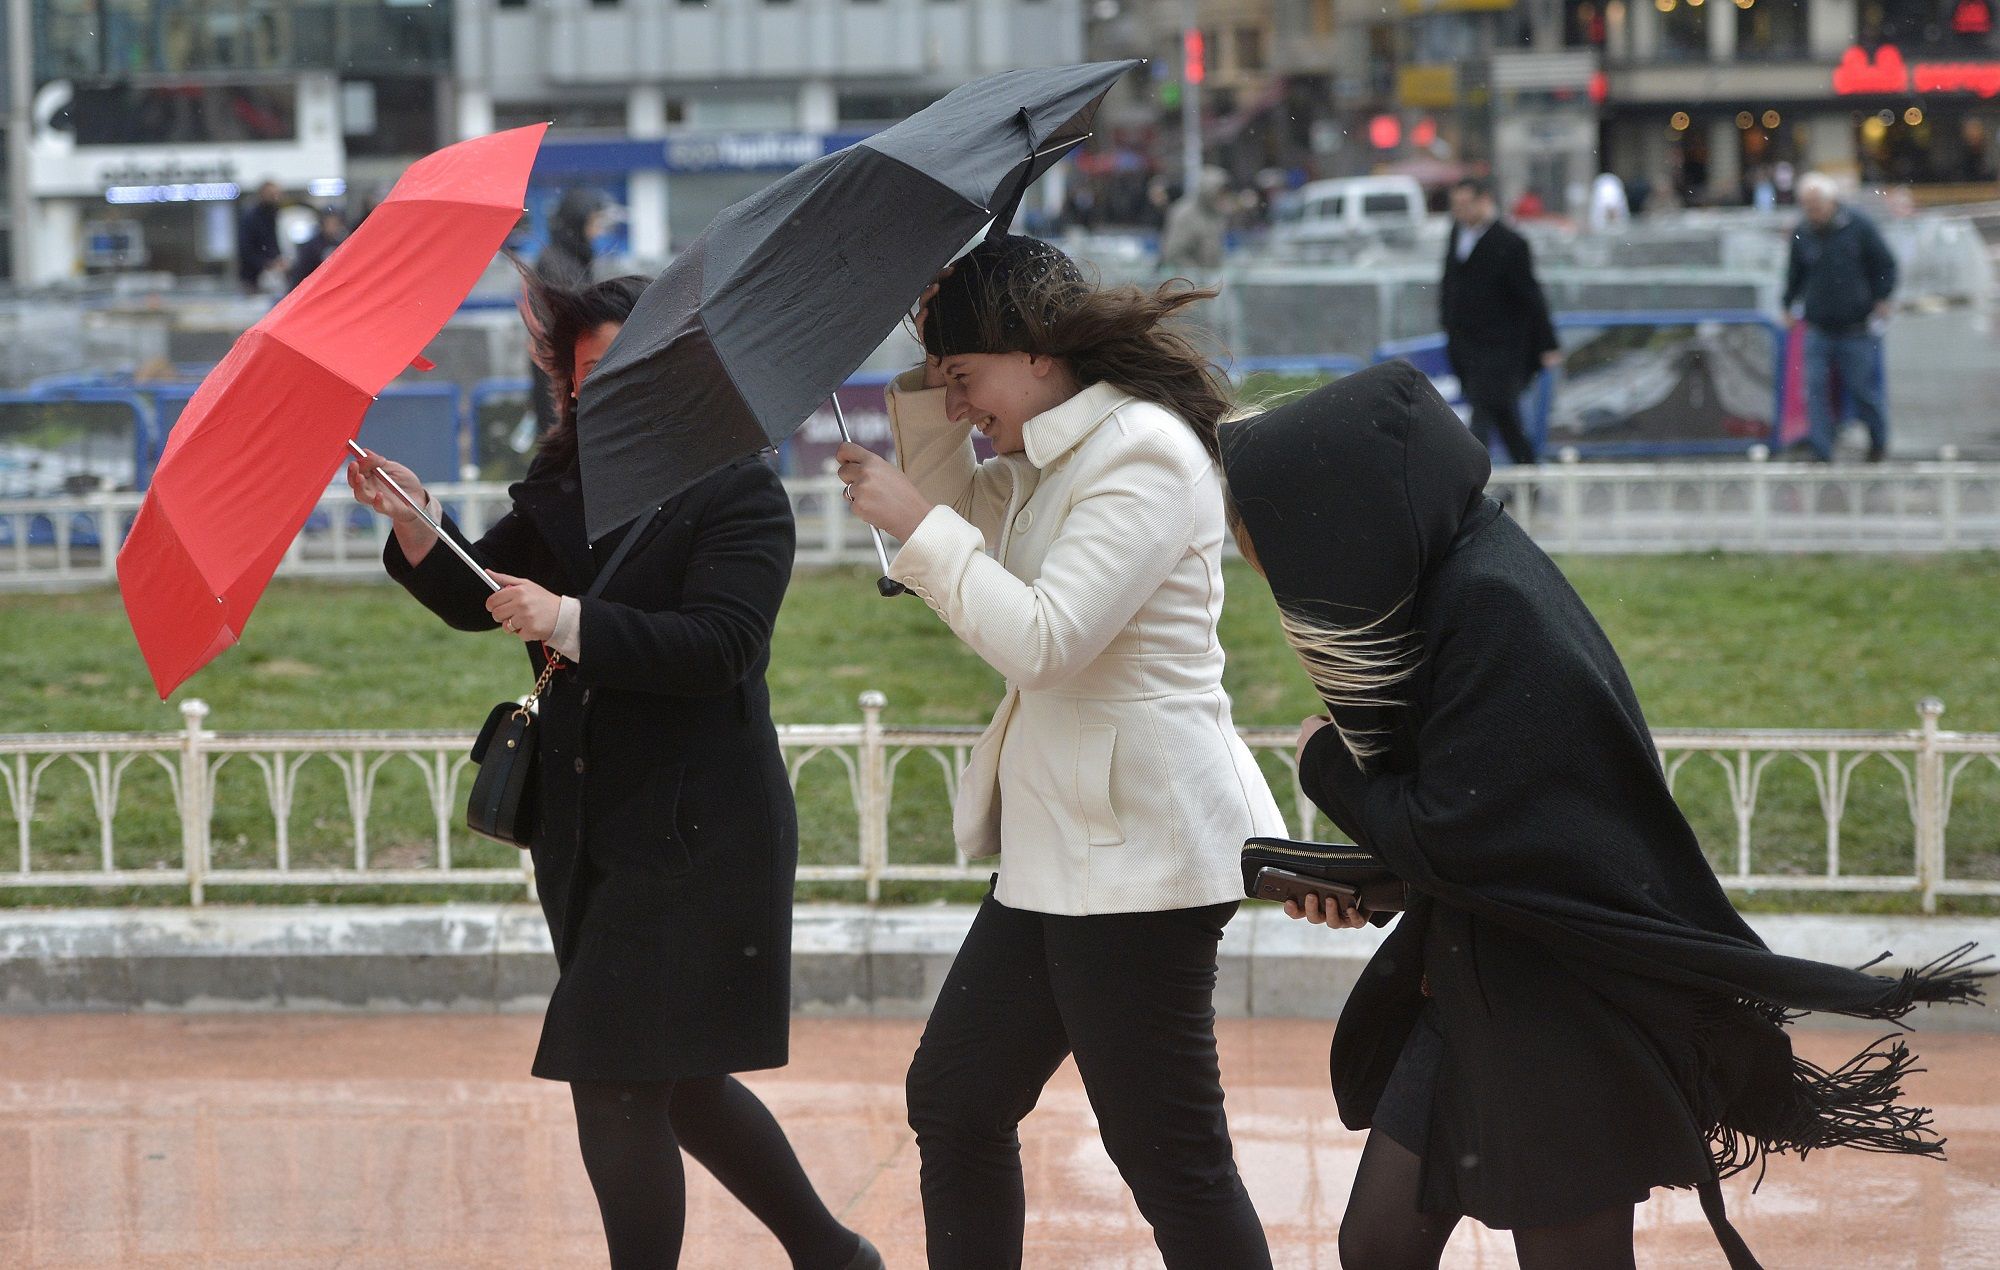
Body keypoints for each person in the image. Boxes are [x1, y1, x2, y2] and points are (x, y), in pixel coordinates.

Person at [1217, 361, 1987, 1270]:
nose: (1296, 590)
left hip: (1562, 1010)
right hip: (1481, 981)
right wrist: (1378, 884)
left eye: (1286, 556)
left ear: (1343, 523)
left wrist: (1324, 769)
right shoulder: (1458, 580)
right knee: (1381, 1245)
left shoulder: (1490, 605)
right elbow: (1503, 833)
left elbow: (1464, 831)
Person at [347, 271, 881, 1270]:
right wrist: (416, 521)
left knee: (615, 1072)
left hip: (698, 829)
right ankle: (832, 1252)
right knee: (674, 1078)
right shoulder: (568, 485)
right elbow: (479, 593)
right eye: (587, 372)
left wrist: (567, 620)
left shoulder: (738, 490)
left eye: (630, 365)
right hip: (587, 822)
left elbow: (718, 646)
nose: (605, 389)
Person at [835, 235, 1285, 1269]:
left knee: (1168, 1157)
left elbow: (1041, 637)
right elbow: (952, 526)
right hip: (1058, 854)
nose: (958, 407)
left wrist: (922, 527)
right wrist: (924, 371)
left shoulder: (1143, 451)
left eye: (964, 378)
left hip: (1141, 856)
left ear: (1035, 353)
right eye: (944, 383)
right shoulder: (1049, 454)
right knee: (952, 1099)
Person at [1439, 176, 1560, 465]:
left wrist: (1547, 343)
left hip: (1500, 347)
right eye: (1456, 205)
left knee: (1482, 415)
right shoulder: (1457, 234)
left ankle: (1470, 482)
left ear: (1484, 200)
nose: (1460, 211)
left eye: (1466, 204)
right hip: (1466, 344)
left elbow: (1530, 295)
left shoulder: (1510, 242)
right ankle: (1527, 476)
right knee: (1505, 419)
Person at [1785, 172, 1898, 463]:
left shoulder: (1858, 226)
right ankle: (1821, 450)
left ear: (1831, 201)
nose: (1813, 212)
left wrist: (1882, 296)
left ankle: (1878, 442)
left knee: (1862, 389)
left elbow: (1885, 263)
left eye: (1817, 205)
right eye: (1807, 206)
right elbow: (1795, 274)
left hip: (1855, 325)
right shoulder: (1803, 232)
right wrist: (1787, 304)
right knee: (1816, 390)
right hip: (1819, 325)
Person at [529, 188, 613, 441]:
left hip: (567, 367)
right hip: (561, 370)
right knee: (564, 441)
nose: (598, 228)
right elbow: (569, 316)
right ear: (579, 220)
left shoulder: (572, 256)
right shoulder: (558, 262)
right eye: (594, 220)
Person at [1159, 165, 1230, 273]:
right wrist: (1196, 274)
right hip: (1187, 283)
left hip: (1209, 280)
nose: (1222, 196)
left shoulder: (1216, 214)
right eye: (1219, 191)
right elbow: (1172, 253)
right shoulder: (1184, 213)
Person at [236, 182, 284, 294]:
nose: (275, 198)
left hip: (275, 274)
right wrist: (266, 263)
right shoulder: (251, 218)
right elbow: (246, 249)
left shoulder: (276, 216)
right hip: (253, 277)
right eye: (271, 194)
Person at [286, 206, 347, 291]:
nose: (333, 227)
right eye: (330, 223)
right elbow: (302, 270)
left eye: (336, 223)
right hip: (314, 287)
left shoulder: (341, 244)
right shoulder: (311, 246)